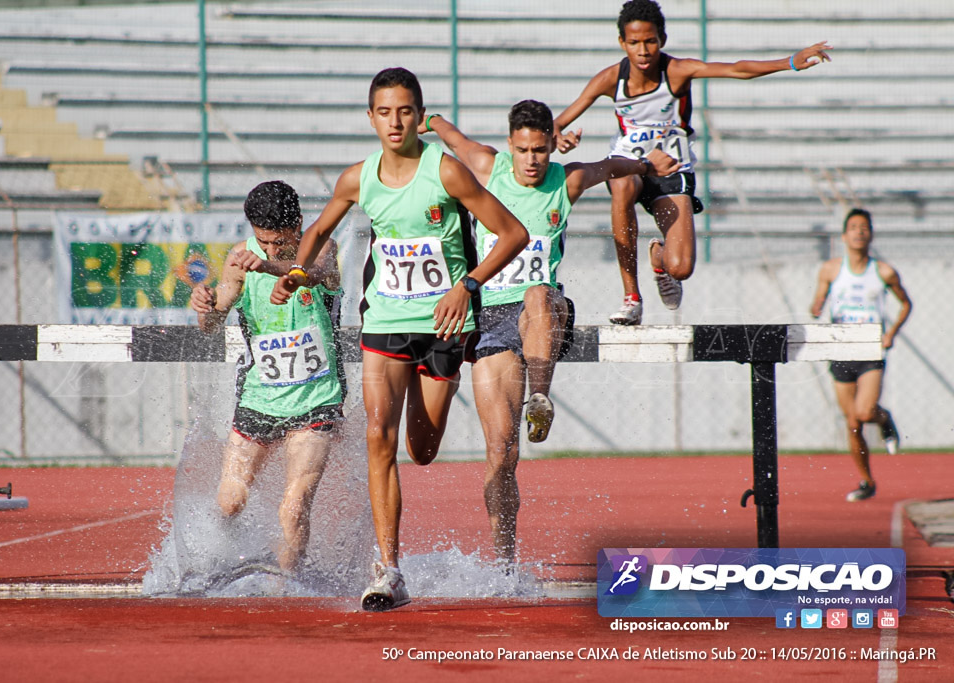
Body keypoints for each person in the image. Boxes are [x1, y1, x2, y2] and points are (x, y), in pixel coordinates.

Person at [272, 67, 529, 611]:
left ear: (420, 116)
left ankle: (425, 400)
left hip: (442, 327)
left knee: (423, 449)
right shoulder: (357, 178)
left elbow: (514, 234)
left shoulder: (447, 172)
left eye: (405, 111)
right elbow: (318, 230)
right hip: (385, 322)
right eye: (385, 112)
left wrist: (467, 285)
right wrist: (296, 273)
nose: (395, 121)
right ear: (371, 118)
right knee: (376, 435)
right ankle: (389, 569)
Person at [422, 101, 678, 562]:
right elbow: (452, 138)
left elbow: (608, 166)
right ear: (510, 146)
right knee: (501, 453)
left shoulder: (567, 179)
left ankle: (540, 397)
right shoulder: (487, 167)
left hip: (545, 311)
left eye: (540, 149)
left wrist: (645, 165)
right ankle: (504, 563)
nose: (533, 159)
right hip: (493, 319)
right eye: (523, 150)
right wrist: (428, 119)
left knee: (538, 291)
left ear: (549, 143)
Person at [553, 0, 832, 325]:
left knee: (681, 268)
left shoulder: (676, 71)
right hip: (632, 166)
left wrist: (790, 62)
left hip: (672, 171)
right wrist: (560, 138)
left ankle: (659, 258)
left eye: (650, 41)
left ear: (662, 39)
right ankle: (632, 296)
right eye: (634, 43)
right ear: (622, 43)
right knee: (620, 181)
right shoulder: (610, 79)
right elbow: (558, 122)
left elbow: (736, 69)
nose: (643, 51)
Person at [190, 180, 345, 573]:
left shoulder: (323, 246)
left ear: (299, 226)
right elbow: (211, 323)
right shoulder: (240, 258)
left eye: (281, 242)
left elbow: (316, 274)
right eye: (264, 243)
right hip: (260, 396)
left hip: (316, 399)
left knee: (293, 508)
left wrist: (274, 267)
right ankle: (225, 563)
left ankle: (288, 590)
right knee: (229, 501)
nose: (272, 250)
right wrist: (203, 306)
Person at [810, 208, 912, 502]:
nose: (859, 232)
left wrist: (891, 333)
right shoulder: (831, 269)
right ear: (844, 235)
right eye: (853, 227)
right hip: (841, 349)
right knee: (853, 423)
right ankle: (867, 480)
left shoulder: (883, 272)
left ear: (870, 234)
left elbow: (906, 304)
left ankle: (883, 418)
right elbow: (817, 302)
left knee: (864, 412)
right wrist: (816, 307)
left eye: (864, 227)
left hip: (870, 350)